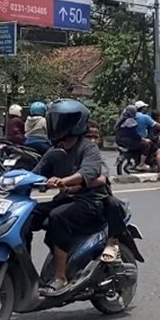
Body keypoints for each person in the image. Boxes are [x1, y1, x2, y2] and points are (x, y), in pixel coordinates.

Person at [28, 99, 110, 296]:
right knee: (28, 215)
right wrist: (6, 180)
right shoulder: (55, 150)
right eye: (54, 119)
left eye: (61, 120)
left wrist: (64, 181)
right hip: (67, 199)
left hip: (91, 201)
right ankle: (24, 272)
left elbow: (88, 173)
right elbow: (35, 173)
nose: (57, 124)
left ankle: (60, 277)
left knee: (58, 216)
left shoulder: (88, 147)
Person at [133, 101, 160, 171]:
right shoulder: (145, 117)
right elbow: (157, 126)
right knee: (158, 150)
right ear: (142, 108)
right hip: (143, 138)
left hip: (134, 138)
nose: (146, 109)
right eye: (145, 108)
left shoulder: (133, 116)